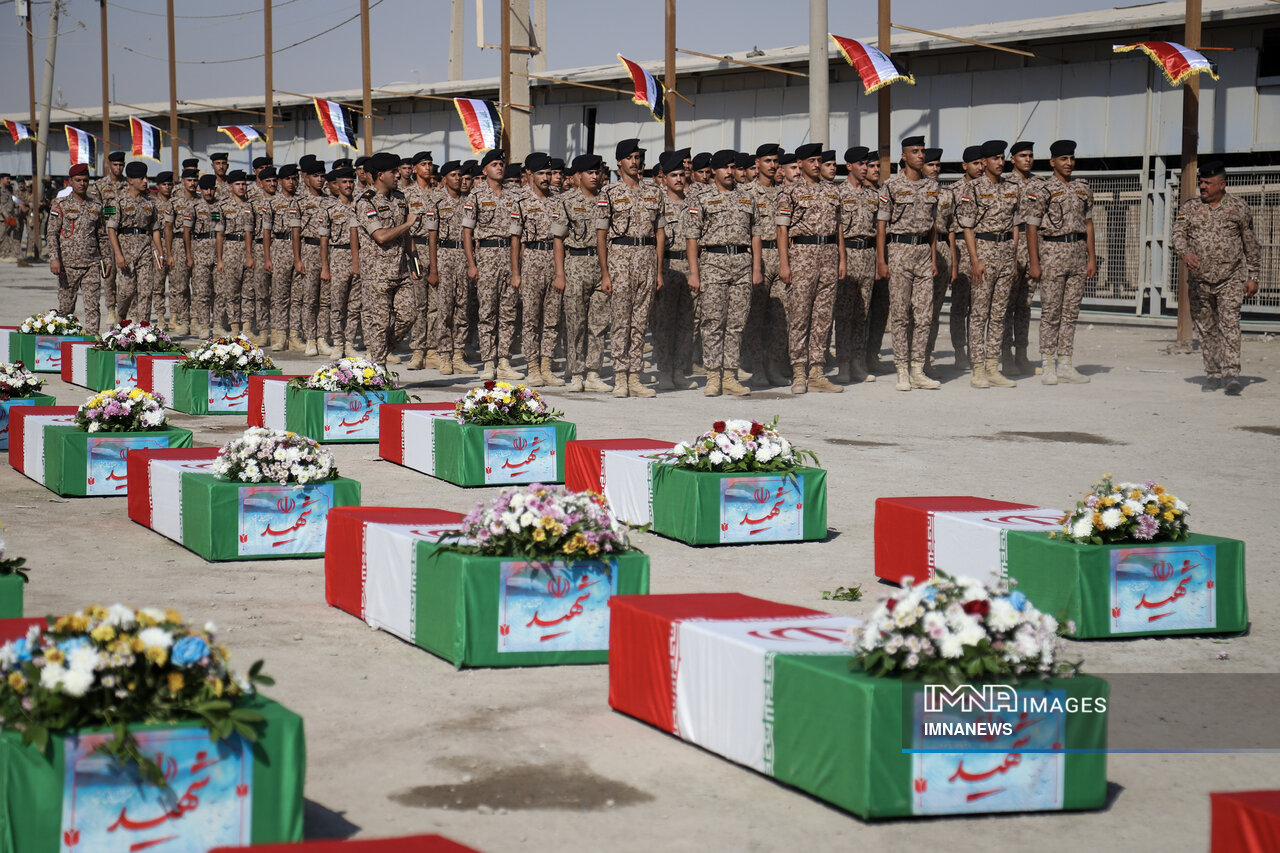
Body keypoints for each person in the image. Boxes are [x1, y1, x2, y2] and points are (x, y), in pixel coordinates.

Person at [1172, 160, 1260, 395]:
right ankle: (1212, 374)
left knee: (1230, 324)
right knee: (1206, 327)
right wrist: (1185, 252)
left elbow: (1250, 244)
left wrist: (1253, 276)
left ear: (1222, 185)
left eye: (1208, 183)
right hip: (1199, 281)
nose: (1202, 186)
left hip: (1230, 278)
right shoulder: (1190, 207)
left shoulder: (1239, 207)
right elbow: (1177, 234)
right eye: (1201, 182)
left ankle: (1231, 374)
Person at [687, 149, 762, 397]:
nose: (730, 172)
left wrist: (756, 268)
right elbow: (692, 237)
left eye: (732, 167)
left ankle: (729, 375)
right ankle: (712, 376)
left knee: (736, 323)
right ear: (714, 171)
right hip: (713, 263)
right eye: (724, 168)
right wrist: (694, 272)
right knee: (713, 322)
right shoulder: (701, 199)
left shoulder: (747, 198)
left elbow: (756, 234)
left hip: (742, 263)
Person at [1021, 139, 1096, 385]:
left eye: (1071, 158)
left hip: (1077, 254)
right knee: (1051, 312)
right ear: (1052, 162)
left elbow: (1088, 224)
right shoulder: (1043, 189)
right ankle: (1048, 363)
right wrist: (1035, 262)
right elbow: (1031, 226)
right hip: (1052, 253)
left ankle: (1065, 363)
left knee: (1071, 312)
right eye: (1064, 159)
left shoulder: (1082, 188)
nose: (1069, 163)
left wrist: (1092, 258)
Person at [596, 138, 664, 398]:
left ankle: (635, 376)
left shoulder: (654, 191)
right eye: (630, 158)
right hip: (620, 260)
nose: (635, 162)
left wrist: (658, 271)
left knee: (640, 321)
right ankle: (620, 377)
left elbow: (659, 232)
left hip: (646, 258)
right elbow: (601, 234)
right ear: (619, 162)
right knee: (621, 321)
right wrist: (605, 273)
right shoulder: (609, 193)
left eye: (638, 158)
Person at [777, 142, 844, 394]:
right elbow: (782, 229)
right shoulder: (790, 192)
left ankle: (817, 371)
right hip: (802, 255)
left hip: (829, 254)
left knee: (823, 317)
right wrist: (785, 263)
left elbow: (839, 226)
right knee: (800, 315)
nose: (817, 165)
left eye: (819, 161)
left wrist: (842, 259)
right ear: (801, 164)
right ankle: (798, 371)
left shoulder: (832, 190)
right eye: (812, 161)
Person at [956, 139, 1020, 388]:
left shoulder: (1012, 187)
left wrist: (1013, 258)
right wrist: (975, 260)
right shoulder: (972, 188)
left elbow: (1015, 225)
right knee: (979, 313)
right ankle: (978, 369)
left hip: (1005, 252)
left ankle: (993, 367)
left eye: (1002, 158)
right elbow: (967, 227)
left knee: (999, 314)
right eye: (995, 158)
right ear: (984, 162)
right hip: (983, 251)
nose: (1000, 162)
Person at [355, 151, 421, 369]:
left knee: (409, 316)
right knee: (380, 323)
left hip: (400, 270)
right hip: (378, 274)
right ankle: (378, 367)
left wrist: (415, 260)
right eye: (393, 171)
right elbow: (381, 236)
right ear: (380, 175)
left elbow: (405, 235)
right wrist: (408, 224)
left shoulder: (400, 198)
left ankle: (377, 355)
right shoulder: (366, 202)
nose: (398, 175)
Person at [552, 154, 611, 393]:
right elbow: (558, 239)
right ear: (578, 176)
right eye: (590, 172)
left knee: (599, 322)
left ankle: (594, 372)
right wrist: (560, 273)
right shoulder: (566, 201)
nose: (595, 176)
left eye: (597, 172)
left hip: (602, 264)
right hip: (576, 264)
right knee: (576, 322)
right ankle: (576, 372)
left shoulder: (607, 199)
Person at [463, 148, 521, 380]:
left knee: (508, 311)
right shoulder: (476, 196)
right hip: (486, 255)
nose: (499, 167)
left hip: (509, 254)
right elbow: (467, 232)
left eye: (501, 164)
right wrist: (472, 264)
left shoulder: (514, 195)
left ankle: (504, 360)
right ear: (485, 170)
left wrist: (517, 267)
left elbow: (518, 232)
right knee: (487, 311)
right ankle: (488, 361)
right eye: (494, 164)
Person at [510, 152, 564, 387]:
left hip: (554, 258)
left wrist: (561, 271)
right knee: (531, 318)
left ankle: (546, 366)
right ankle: (533, 366)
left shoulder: (558, 200)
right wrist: (516, 272)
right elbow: (515, 239)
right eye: (541, 173)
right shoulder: (521, 201)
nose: (546, 178)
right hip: (531, 258)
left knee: (552, 317)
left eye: (549, 173)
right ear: (530, 174)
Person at [744, 143, 790, 388]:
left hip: (781, 258)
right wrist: (753, 266)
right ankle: (757, 368)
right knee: (756, 318)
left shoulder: (785, 192)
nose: (772, 166)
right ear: (757, 163)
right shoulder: (746, 192)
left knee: (780, 318)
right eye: (767, 161)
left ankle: (774, 367)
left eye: (775, 161)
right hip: (757, 259)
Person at [46, 164, 110, 334]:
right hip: (67, 265)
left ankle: (92, 339)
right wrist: (54, 258)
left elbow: (102, 236)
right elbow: (52, 233)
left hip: (91, 264)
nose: (82, 184)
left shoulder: (96, 206)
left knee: (93, 306)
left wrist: (107, 260)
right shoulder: (60, 205)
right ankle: (65, 340)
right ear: (71, 182)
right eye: (78, 180)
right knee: (66, 308)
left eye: (85, 180)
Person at [426, 160, 476, 376]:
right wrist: (433, 269)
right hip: (444, 255)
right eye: (453, 175)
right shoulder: (436, 201)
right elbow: (432, 237)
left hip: (463, 257)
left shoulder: (469, 201)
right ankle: (444, 356)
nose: (458, 179)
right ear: (444, 179)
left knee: (462, 309)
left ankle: (458, 355)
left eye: (460, 175)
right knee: (444, 309)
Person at [653, 150, 697, 391]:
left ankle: (680, 371)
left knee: (686, 323)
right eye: (674, 175)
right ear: (664, 178)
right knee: (664, 324)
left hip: (690, 267)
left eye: (682, 174)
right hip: (667, 266)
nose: (679, 179)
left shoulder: (695, 201)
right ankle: (665, 371)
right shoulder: (658, 202)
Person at [834, 145, 878, 383]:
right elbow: (837, 229)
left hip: (868, 254)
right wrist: (841, 259)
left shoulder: (873, 195)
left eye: (866, 164)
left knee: (863, 313)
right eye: (860, 164)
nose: (865, 168)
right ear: (849, 166)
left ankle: (858, 362)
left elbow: (879, 229)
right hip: (848, 254)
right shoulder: (838, 193)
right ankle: (843, 363)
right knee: (844, 314)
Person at [105, 162, 165, 324]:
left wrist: (160, 253)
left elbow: (155, 229)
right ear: (130, 180)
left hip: (145, 249)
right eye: (141, 178)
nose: (145, 181)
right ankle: (121, 314)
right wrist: (118, 255)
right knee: (127, 290)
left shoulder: (150, 203)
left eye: (146, 178)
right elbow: (111, 229)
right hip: (126, 249)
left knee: (146, 290)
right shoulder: (118, 202)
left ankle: (143, 326)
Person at [1004, 140, 1039, 376]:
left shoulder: (1040, 183)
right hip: (1012, 244)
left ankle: (1022, 355)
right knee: (1007, 304)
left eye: (1030, 155)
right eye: (1022, 156)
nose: (1027, 159)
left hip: (1034, 245)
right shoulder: (1005, 183)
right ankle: (1006, 355)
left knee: (1025, 304)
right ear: (1012, 159)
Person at [404, 151, 439, 370]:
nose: (428, 167)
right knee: (419, 303)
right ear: (414, 169)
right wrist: (410, 256)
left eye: (430, 164)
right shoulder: (406, 195)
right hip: (414, 250)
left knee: (436, 304)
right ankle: (417, 350)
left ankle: (433, 350)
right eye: (423, 164)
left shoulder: (439, 194)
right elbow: (404, 227)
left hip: (436, 251)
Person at [213, 170, 256, 337]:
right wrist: (220, 259)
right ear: (230, 187)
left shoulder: (251, 206)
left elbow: (252, 232)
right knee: (231, 291)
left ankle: (247, 326)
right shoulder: (222, 207)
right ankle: (234, 326)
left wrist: (250, 255)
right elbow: (219, 234)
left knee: (248, 291)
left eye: (244, 184)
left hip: (248, 249)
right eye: (238, 184)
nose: (241, 187)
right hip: (230, 249)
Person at [922, 147, 952, 379]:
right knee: (919, 309)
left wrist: (954, 262)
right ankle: (912, 357)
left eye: (937, 165)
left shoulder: (947, 194)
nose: (935, 169)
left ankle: (926, 356)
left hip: (943, 248)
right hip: (921, 248)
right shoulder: (918, 191)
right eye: (930, 164)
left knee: (935, 310)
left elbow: (951, 228)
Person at [91, 150, 128, 324]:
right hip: (106, 235)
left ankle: (124, 309)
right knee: (109, 274)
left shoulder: (128, 184)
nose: (118, 168)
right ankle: (111, 308)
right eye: (115, 165)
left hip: (125, 235)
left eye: (121, 165)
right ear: (109, 165)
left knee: (126, 275)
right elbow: (94, 210)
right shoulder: (100, 185)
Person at [182, 174, 221, 339]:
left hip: (217, 252)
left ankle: (218, 325)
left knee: (220, 292)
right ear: (201, 190)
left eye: (211, 189)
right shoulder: (194, 207)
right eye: (205, 189)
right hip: (200, 252)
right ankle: (204, 326)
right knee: (202, 291)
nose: (208, 192)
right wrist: (189, 255)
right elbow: (186, 232)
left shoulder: (220, 206)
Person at [267, 164, 300, 351]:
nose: (292, 182)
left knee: (297, 296)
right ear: (280, 181)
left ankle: (294, 335)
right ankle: (279, 335)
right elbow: (266, 231)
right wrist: (267, 257)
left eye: (294, 178)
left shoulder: (302, 201)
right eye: (288, 179)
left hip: (299, 248)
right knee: (280, 295)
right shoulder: (272, 202)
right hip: (279, 247)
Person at [167, 168, 201, 335]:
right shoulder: (174, 203)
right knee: (181, 285)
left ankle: (195, 320)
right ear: (182, 182)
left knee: (199, 285)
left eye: (195, 180)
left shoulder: (202, 202)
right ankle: (184, 320)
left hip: (199, 244)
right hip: (179, 244)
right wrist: (169, 253)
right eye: (189, 180)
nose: (192, 183)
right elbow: (168, 229)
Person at [150, 171, 174, 325]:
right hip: (156, 244)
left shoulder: (176, 203)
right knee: (158, 283)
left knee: (176, 284)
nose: (167, 187)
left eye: (169, 184)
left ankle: (175, 316)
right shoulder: (152, 203)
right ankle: (160, 315)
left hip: (174, 245)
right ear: (158, 186)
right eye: (164, 184)